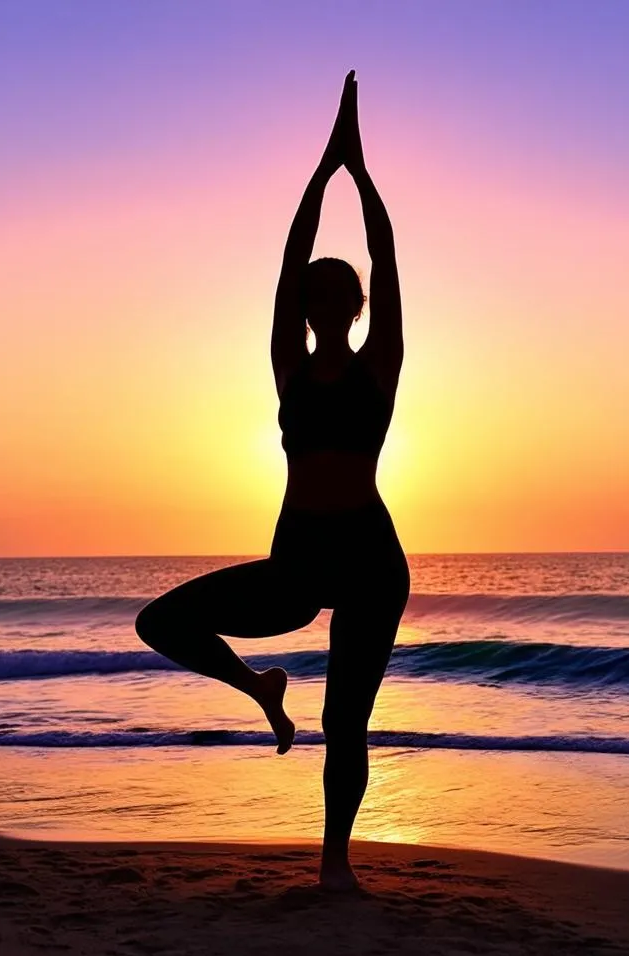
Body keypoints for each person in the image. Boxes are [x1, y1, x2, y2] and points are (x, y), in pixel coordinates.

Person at [136, 71, 409, 891]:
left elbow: (388, 255)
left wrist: (358, 175)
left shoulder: (379, 370)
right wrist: (321, 169)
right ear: (304, 304)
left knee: (345, 723)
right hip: (298, 556)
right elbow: (289, 256)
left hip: (367, 555)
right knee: (163, 622)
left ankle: (334, 865)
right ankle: (258, 685)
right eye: (312, 292)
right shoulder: (289, 370)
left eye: (337, 292)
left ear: (356, 307)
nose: (322, 298)